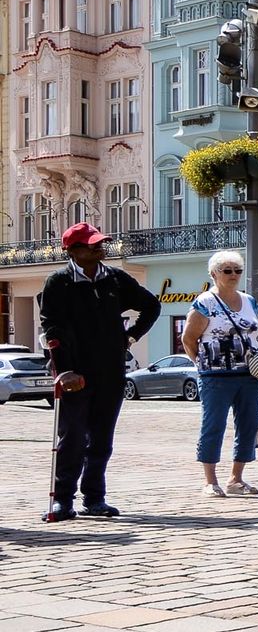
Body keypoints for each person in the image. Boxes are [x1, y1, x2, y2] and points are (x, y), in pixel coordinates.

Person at [37, 221, 159, 520]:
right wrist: (63, 370)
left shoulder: (115, 279)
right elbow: (51, 328)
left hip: (110, 370)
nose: (100, 248)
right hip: (75, 372)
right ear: (75, 251)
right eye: (93, 245)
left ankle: (95, 497)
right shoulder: (59, 282)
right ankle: (62, 499)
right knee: (73, 438)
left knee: (102, 439)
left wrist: (130, 338)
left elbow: (151, 306)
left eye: (100, 243)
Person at [182, 250, 258, 497]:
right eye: (227, 271)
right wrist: (201, 363)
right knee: (214, 425)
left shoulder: (249, 301)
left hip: (249, 373)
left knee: (249, 425)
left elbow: (253, 333)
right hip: (215, 376)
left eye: (237, 270)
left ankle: (236, 478)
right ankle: (210, 480)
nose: (233, 275)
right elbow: (189, 339)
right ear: (214, 274)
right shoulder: (205, 302)